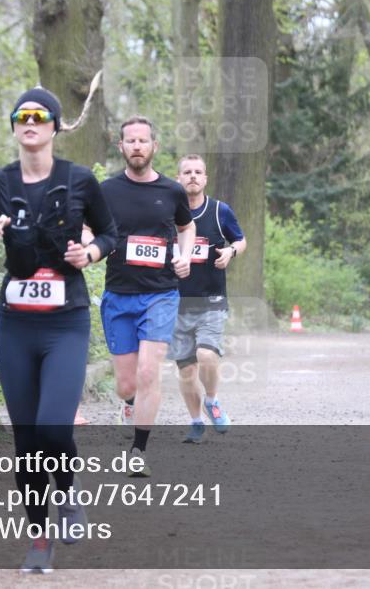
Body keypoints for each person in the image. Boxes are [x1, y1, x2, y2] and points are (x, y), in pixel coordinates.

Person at [0, 87, 117, 573]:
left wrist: (89, 253)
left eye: (39, 116)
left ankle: (66, 492)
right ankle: (39, 539)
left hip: (65, 322)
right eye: (22, 116)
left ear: (55, 126)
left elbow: (110, 234)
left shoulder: (79, 180)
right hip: (15, 325)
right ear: (14, 126)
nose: (30, 122)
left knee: (53, 427)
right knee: (26, 442)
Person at [99, 116, 195, 477]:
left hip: (160, 294)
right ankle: (129, 402)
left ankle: (138, 451)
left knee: (148, 372)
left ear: (154, 146)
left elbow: (187, 227)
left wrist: (184, 255)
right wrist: (90, 245)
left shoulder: (172, 191)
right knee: (127, 384)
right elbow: (89, 228)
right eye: (130, 141)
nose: (137, 146)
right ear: (121, 147)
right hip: (118, 294)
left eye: (143, 140)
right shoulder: (107, 190)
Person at [170, 154, 246, 443]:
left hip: (211, 301)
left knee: (206, 355)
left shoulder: (219, 211)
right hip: (175, 303)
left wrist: (231, 251)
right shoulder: (167, 213)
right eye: (187, 172)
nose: (192, 176)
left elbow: (240, 239)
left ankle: (212, 401)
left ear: (205, 178)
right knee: (187, 370)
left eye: (198, 172)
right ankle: (195, 422)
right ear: (178, 178)